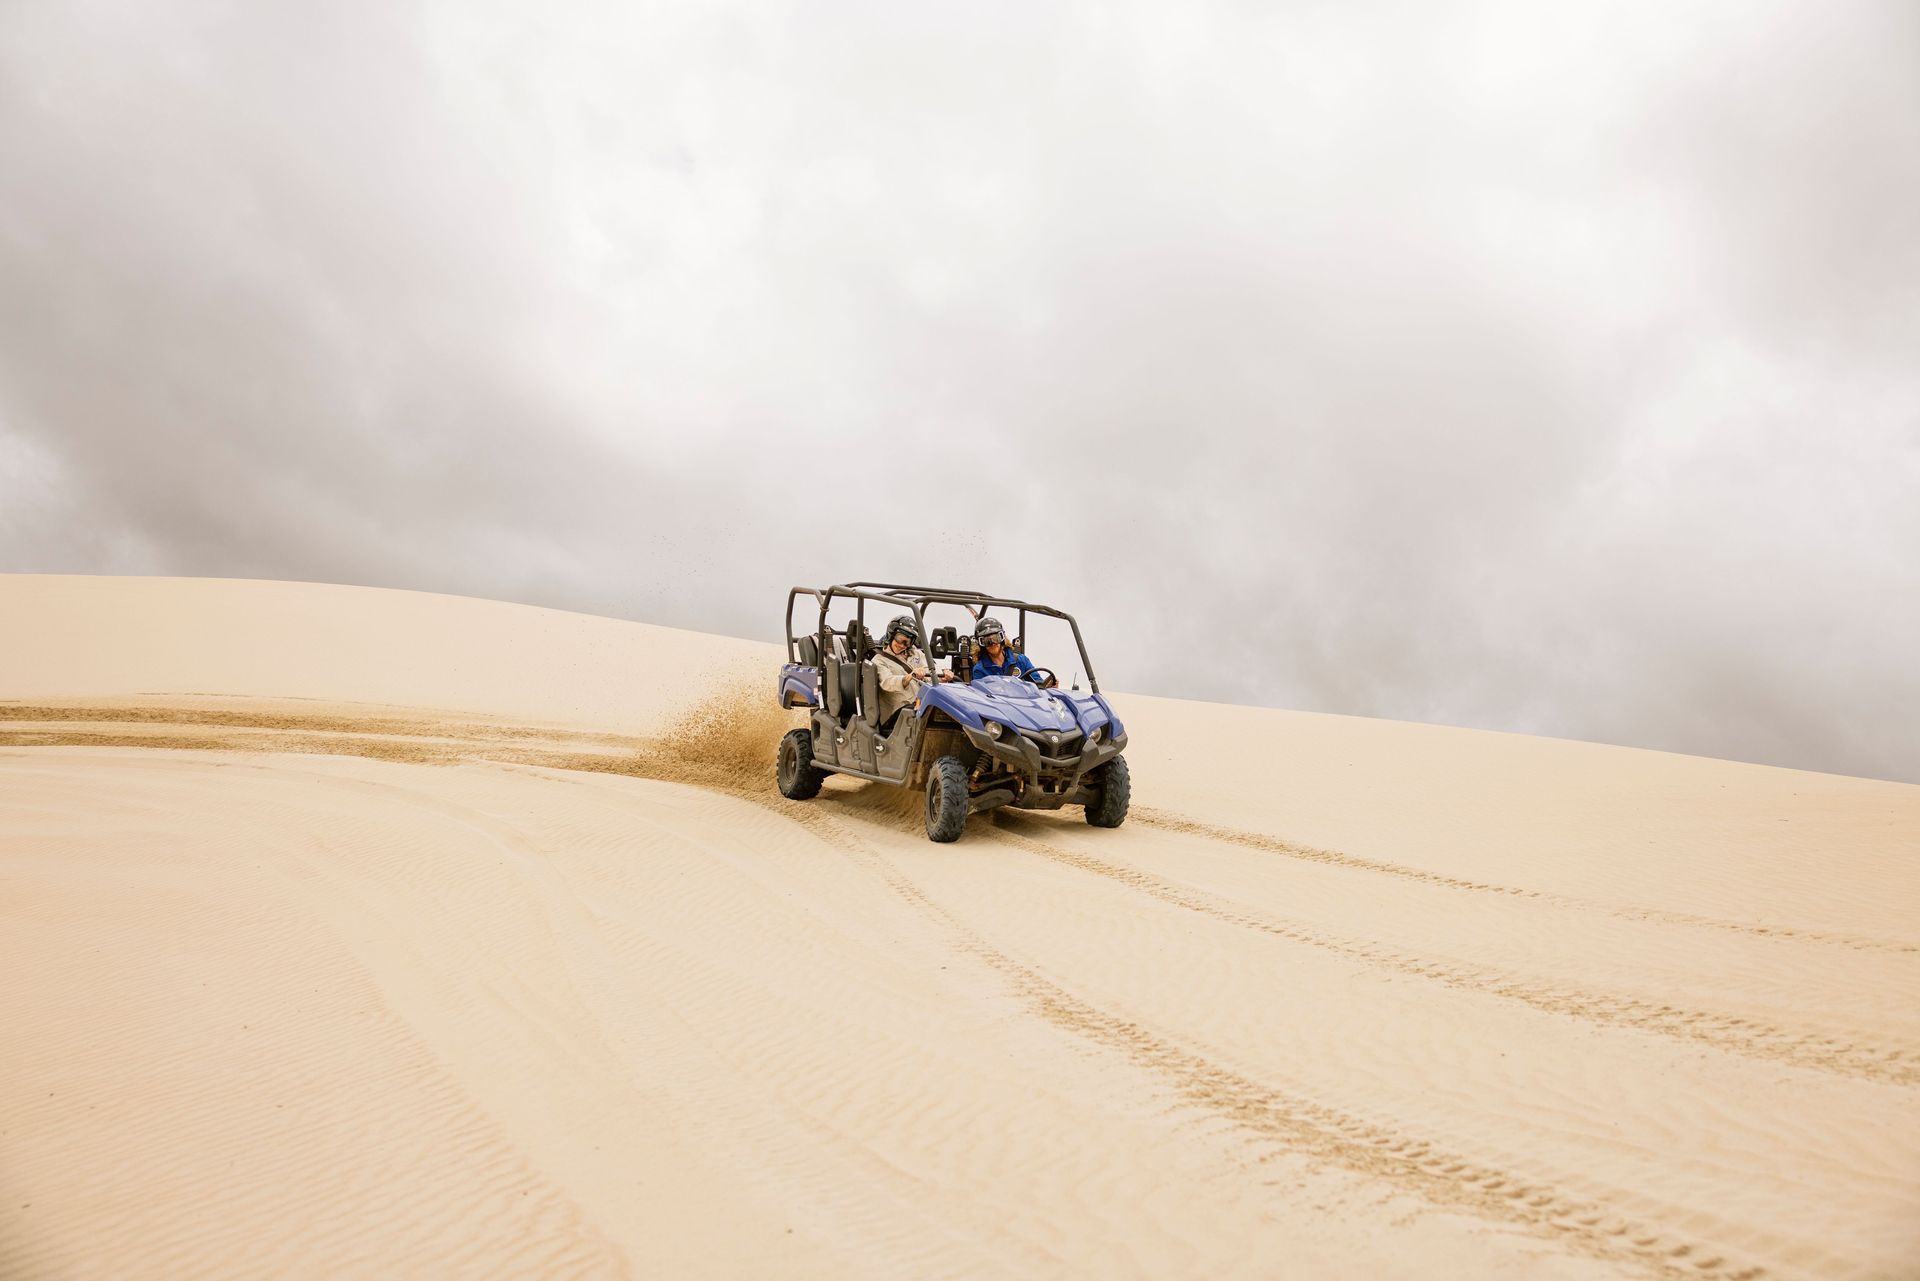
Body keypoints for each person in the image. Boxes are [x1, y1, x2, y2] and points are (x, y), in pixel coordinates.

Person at [871, 614, 950, 729]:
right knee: (919, 710)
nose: (902, 645)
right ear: (891, 634)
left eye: (907, 642)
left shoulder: (915, 653)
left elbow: (931, 669)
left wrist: (943, 676)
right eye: (900, 639)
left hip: (919, 705)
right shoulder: (879, 660)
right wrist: (908, 677)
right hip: (897, 712)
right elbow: (887, 682)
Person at [971, 616, 1054, 686]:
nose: (993, 643)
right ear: (980, 644)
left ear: (1002, 638)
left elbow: (1038, 685)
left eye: (996, 638)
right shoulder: (980, 670)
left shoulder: (1021, 660)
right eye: (987, 641)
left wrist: (1048, 687)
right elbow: (983, 698)